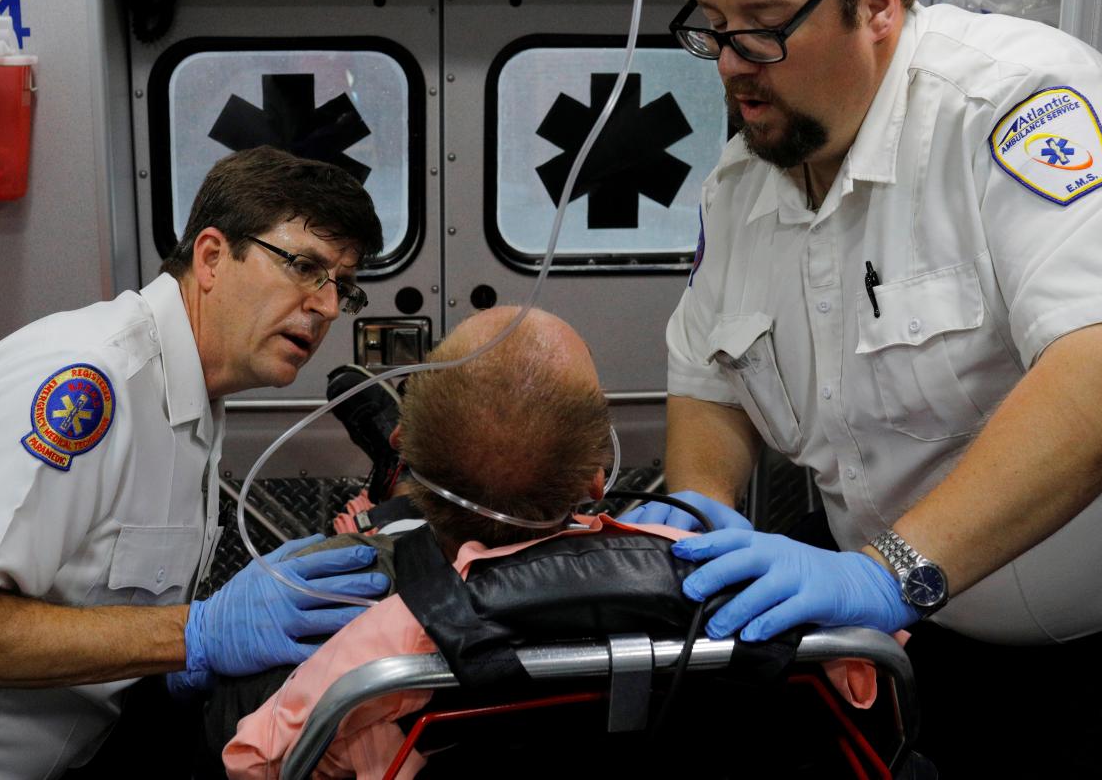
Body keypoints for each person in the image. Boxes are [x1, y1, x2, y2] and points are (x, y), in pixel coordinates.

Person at [635, 0, 1102, 773]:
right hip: (931, 639)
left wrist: (884, 570)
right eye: (712, 29)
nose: (730, 66)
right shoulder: (743, 184)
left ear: (875, 3)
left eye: (761, 28)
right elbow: (708, 375)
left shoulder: (1017, 107)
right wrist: (692, 517)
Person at [0, 147, 392, 780]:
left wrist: (181, 664)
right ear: (211, 257)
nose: (328, 306)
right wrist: (196, 635)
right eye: (305, 267)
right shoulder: (90, 383)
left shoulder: (196, 401)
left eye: (342, 285)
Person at [222, 307, 887, 779]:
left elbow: (254, 758)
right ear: (600, 476)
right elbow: (864, 684)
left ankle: (391, 488)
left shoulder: (388, 641)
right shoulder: (735, 577)